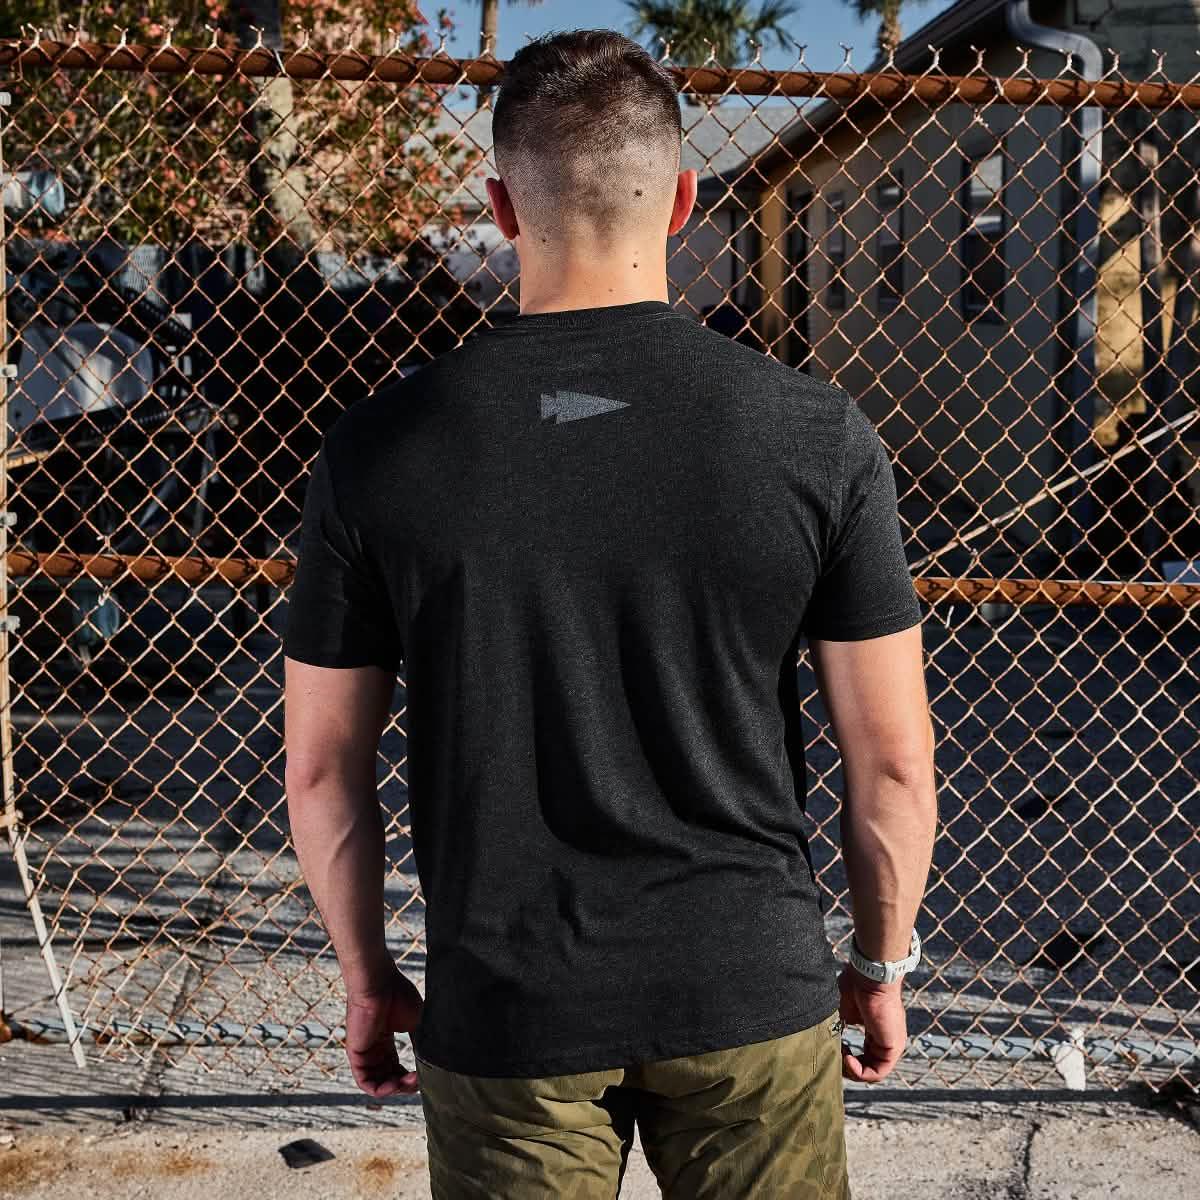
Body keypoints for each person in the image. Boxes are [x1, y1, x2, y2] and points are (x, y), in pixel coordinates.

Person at [282, 28, 938, 1200]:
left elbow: (324, 772)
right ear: (685, 199)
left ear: (498, 202)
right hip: (747, 992)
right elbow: (890, 763)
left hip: (509, 1007)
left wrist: (369, 976)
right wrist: (882, 962)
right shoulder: (814, 434)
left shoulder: (379, 450)